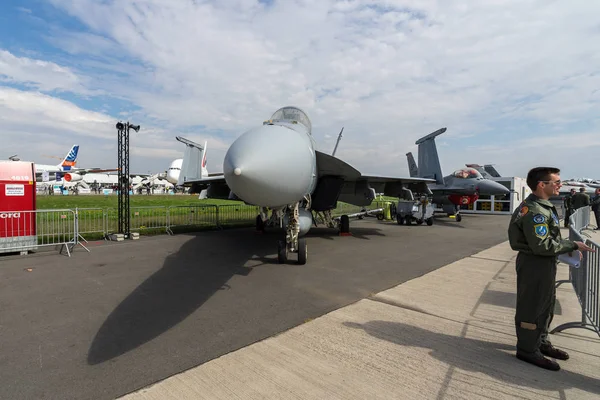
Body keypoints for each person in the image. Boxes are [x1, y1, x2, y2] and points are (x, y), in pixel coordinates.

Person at [508, 167, 595, 371]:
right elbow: (541, 245)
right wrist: (572, 245)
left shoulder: (543, 206)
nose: (560, 185)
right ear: (542, 185)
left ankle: (540, 341)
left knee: (546, 304)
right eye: (556, 182)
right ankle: (527, 349)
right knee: (532, 306)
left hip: (543, 262)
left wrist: (563, 247)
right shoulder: (536, 211)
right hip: (535, 262)